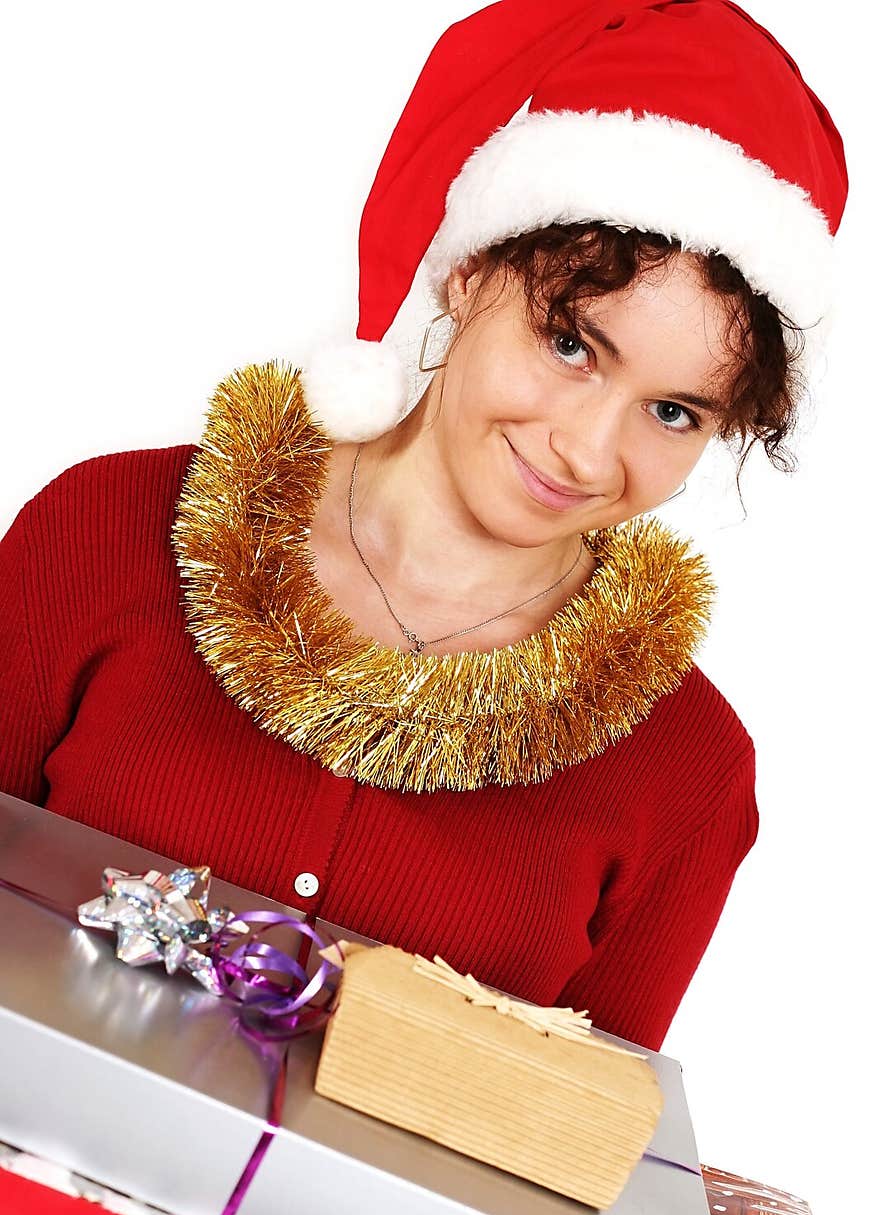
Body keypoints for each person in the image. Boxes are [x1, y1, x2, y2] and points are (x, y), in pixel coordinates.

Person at [0, 0, 847, 1052]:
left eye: (672, 412)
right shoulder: (106, 529)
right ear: (472, 268)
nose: (585, 449)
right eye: (572, 346)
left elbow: (567, 1152)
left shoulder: (684, 770)